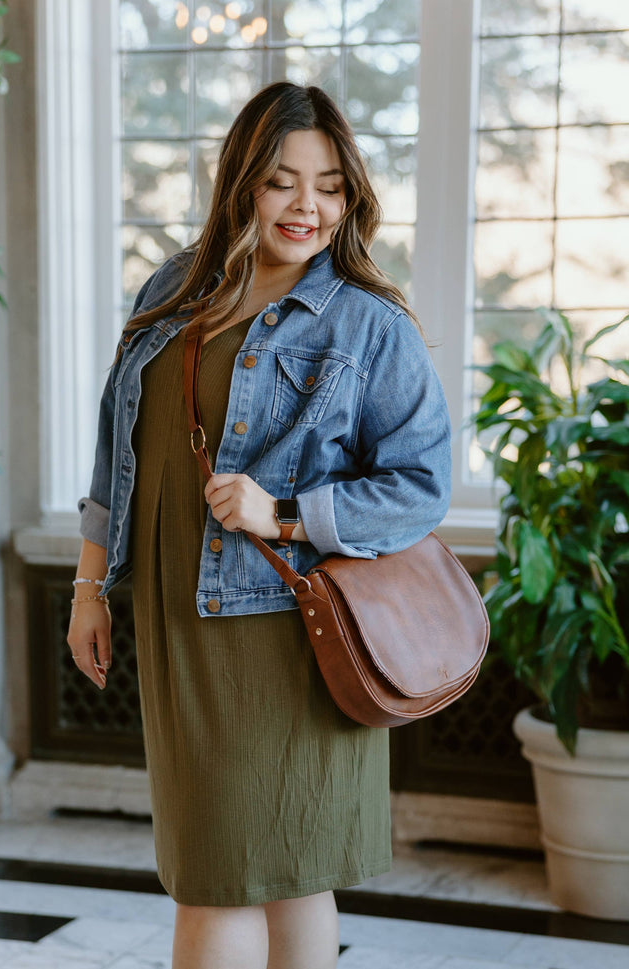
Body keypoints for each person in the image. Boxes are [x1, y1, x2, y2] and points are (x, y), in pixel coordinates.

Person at [68, 81, 451, 969]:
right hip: (176, 622)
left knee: (265, 871)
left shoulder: (367, 321)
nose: (307, 206)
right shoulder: (173, 286)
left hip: (284, 632)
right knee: (237, 867)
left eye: (329, 185)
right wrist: (91, 586)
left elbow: (421, 486)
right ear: (242, 181)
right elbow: (114, 450)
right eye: (282, 181)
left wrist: (283, 514)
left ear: (350, 195)